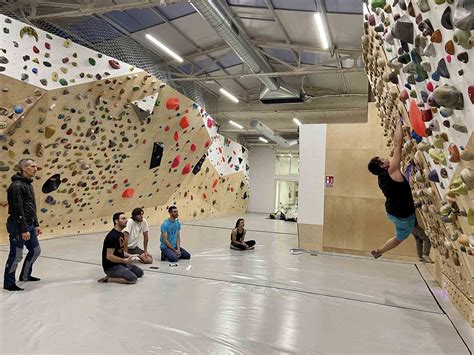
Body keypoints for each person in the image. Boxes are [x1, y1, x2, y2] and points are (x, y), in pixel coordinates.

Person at [368, 119, 416, 259]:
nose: (385, 158)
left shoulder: (381, 177)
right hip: (403, 216)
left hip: (394, 212)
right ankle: (379, 251)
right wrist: (398, 123)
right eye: (383, 159)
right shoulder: (391, 171)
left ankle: (379, 251)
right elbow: (397, 145)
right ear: (382, 166)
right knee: (401, 237)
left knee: (403, 234)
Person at [3, 159, 42, 291]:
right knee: (16, 255)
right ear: (24, 169)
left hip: (29, 225)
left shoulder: (28, 185)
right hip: (18, 226)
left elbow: (31, 207)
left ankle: (25, 276)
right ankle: (9, 283)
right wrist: (23, 229)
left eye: (36, 166)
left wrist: (36, 224)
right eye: (32, 166)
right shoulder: (17, 186)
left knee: (36, 251)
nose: (36, 168)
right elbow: (17, 210)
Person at [99, 212, 143, 284]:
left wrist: (132, 255)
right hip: (111, 267)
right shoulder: (112, 236)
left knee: (139, 273)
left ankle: (122, 271)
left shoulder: (121, 234)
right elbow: (109, 256)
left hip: (120, 264)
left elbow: (121, 251)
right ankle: (108, 279)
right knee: (133, 279)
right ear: (116, 221)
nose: (126, 220)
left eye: (126, 218)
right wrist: (124, 261)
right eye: (123, 219)